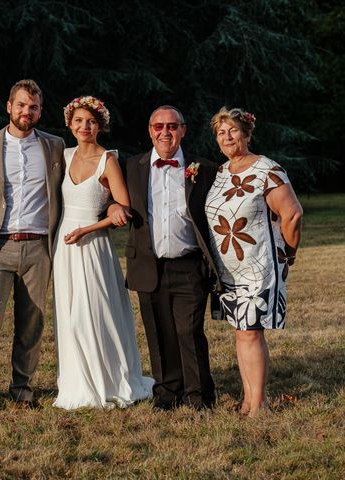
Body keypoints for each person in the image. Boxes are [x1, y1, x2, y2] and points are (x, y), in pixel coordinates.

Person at [109, 105, 220, 411]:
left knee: (189, 330)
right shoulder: (132, 167)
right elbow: (109, 199)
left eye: (172, 126)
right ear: (149, 130)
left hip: (189, 263)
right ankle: (167, 393)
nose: (165, 132)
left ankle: (199, 396)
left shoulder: (205, 168)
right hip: (147, 263)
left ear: (183, 130)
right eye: (158, 126)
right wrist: (112, 209)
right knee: (159, 332)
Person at [0, 79, 65, 412]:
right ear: (9, 106)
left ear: (40, 111)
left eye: (34, 107)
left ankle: (22, 388)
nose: (27, 111)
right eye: (21, 105)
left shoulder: (54, 147)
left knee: (32, 322)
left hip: (38, 247)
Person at [52, 96, 154, 410]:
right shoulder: (64, 156)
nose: (85, 127)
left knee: (93, 313)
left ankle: (108, 380)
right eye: (80, 121)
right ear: (70, 124)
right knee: (69, 316)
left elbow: (122, 209)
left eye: (92, 122)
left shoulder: (107, 161)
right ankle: (76, 383)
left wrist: (88, 229)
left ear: (100, 126)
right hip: (64, 246)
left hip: (92, 246)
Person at [205, 107, 302, 416]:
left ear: (246, 133)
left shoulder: (266, 169)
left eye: (232, 130)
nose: (227, 137)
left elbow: (293, 213)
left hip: (258, 265)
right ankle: (248, 399)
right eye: (221, 133)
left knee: (250, 331)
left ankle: (258, 404)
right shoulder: (220, 173)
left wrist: (288, 252)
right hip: (227, 271)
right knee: (240, 331)